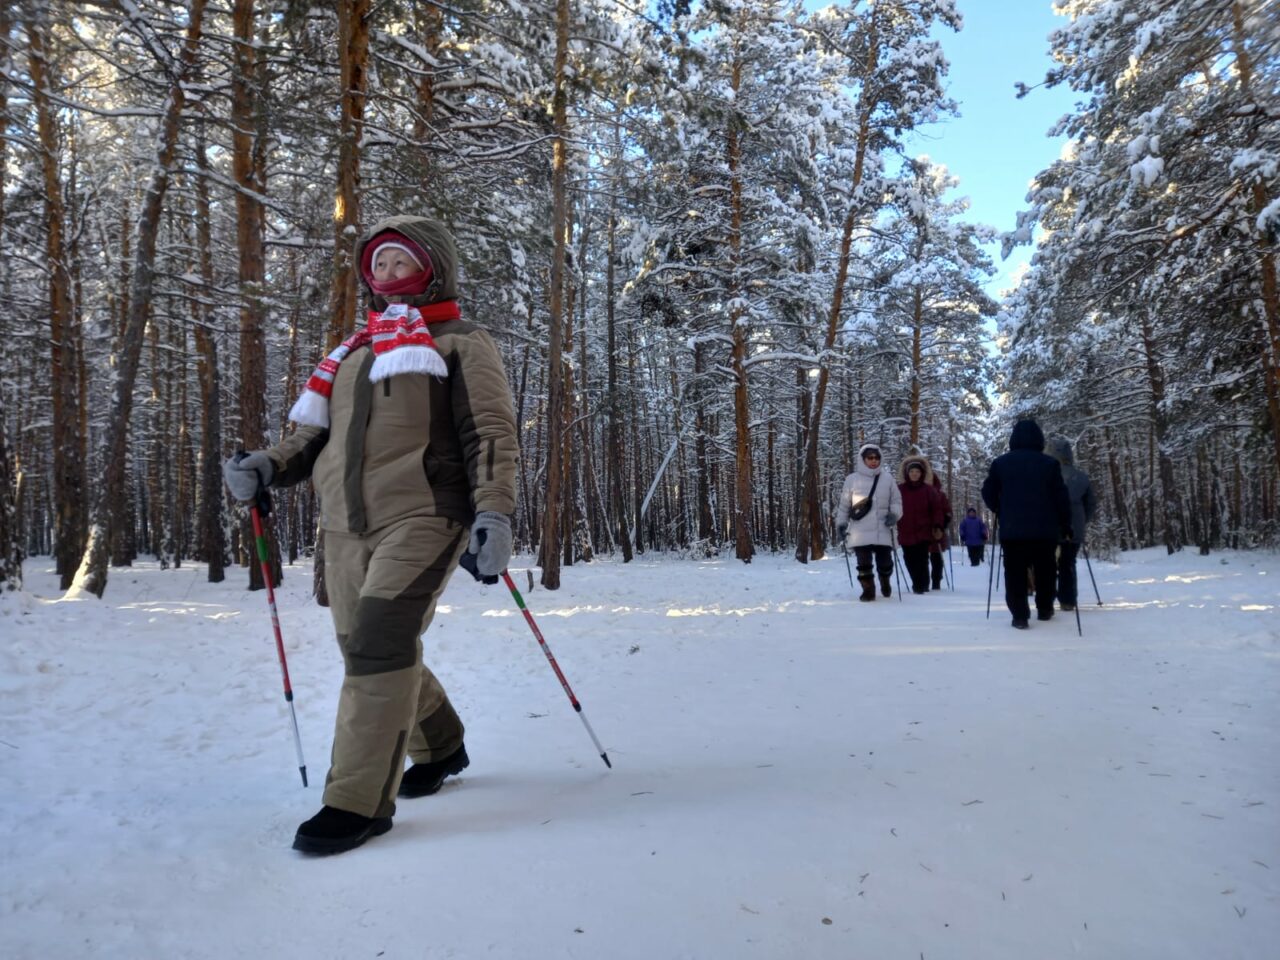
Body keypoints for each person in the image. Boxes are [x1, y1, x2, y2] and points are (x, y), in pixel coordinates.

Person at [223, 217, 519, 855]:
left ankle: (355, 803)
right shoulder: (352, 353)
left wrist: (494, 512)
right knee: (369, 646)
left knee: (380, 644)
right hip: (346, 525)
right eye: (378, 265)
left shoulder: (460, 341)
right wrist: (268, 465)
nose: (387, 276)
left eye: (400, 263)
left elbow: (490, 433)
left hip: (425, 515)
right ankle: (440, 745)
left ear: (432, 267)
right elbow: (312, 438)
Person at [981, 419, 1070, 629]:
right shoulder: (1050, 464)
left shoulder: (1001, 463)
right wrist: (1065, 523)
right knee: (1046, 569)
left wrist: (999, 508)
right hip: (1044, 529)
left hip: (1013, 529)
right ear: (1039, 438)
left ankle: (1020, 615)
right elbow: (1061, 497)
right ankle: (1045, 608)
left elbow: (988, 492)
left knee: (1014, 572)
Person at [835, 443, 903, 601]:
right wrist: (841, 524)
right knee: (863, 563)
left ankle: (885, 580)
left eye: (877, 458)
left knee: (885, 562)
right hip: (860, 529)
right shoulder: (852, 479)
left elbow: (896, 500)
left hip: (883, 528)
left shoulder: (887, 479)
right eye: (870, 458)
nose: (874, 461)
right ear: (862, 459)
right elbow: (844, 505)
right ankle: (868, 589)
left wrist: (894, 514)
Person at [1048, 438, 1097, 612]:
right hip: (1075, 527)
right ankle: (1068, 600)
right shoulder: (1081, 477)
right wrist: (1083, 520)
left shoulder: (1047, 475)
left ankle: (1047, 599)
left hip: (1051, 527)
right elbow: (1091, 504)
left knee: (1049, 563)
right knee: (1068, 563)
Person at [896, 455, 945, 594]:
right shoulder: (900, 490)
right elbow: (893, 506)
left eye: (917, 472)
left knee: (922, 559)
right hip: (905, 530)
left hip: (924, 531)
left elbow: (937, 509)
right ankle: (917, 582)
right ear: (907, 473)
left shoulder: (929, 490)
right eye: (912, 472)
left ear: (921, 473)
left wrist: (937, 525)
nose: (914, 474)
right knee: (909, 559)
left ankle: (922, 584)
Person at [929, 470, 953, 590]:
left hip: (936, 530)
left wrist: (944, 523)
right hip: (921, 529)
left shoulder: (940, 495)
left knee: (936, 557)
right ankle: (922, 582)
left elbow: (947, 511)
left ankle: (936, 580)